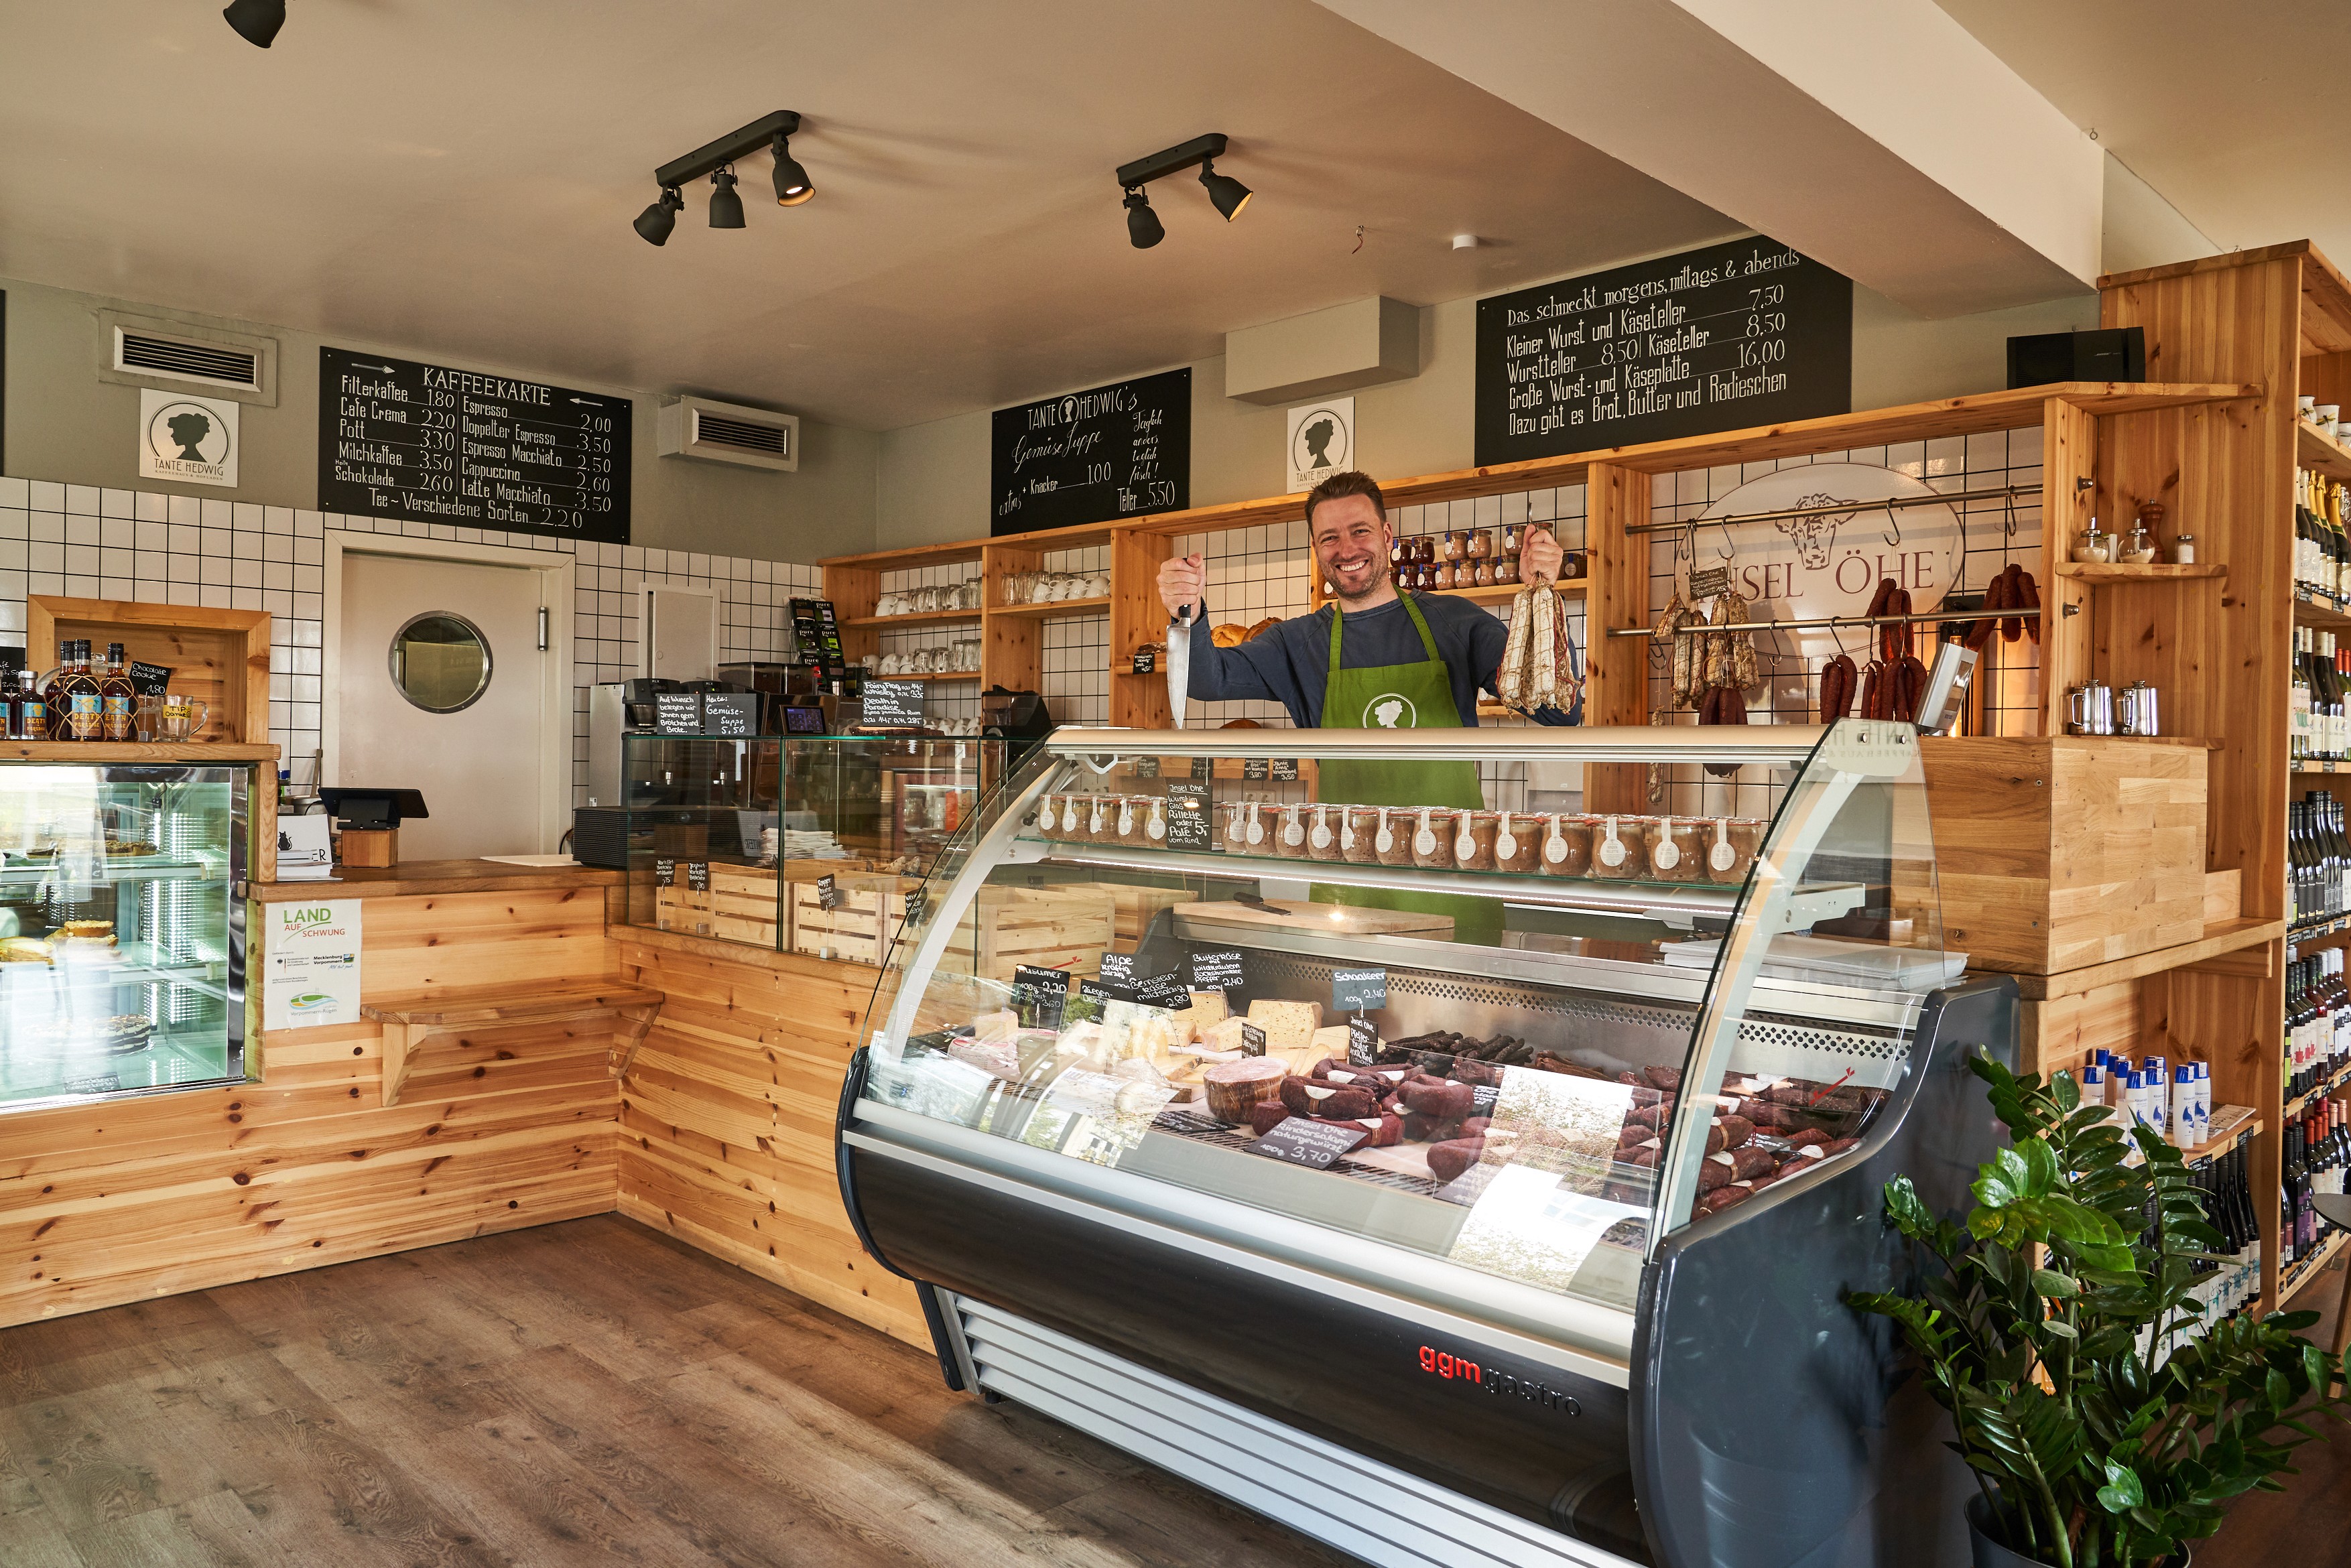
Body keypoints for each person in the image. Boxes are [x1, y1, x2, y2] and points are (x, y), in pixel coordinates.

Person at [1158, 469, 1578, 937]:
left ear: (1386, 536)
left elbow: (1561, 711)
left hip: (1452, 886)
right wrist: (1187, 613)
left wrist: (1543, 596)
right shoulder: (1299, 644)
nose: (1346, 549)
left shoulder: (1455, 623)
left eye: (1360, 531)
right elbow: (1206, 678)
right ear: (1317, 551)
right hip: (1351, 891)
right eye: (1329, 538)